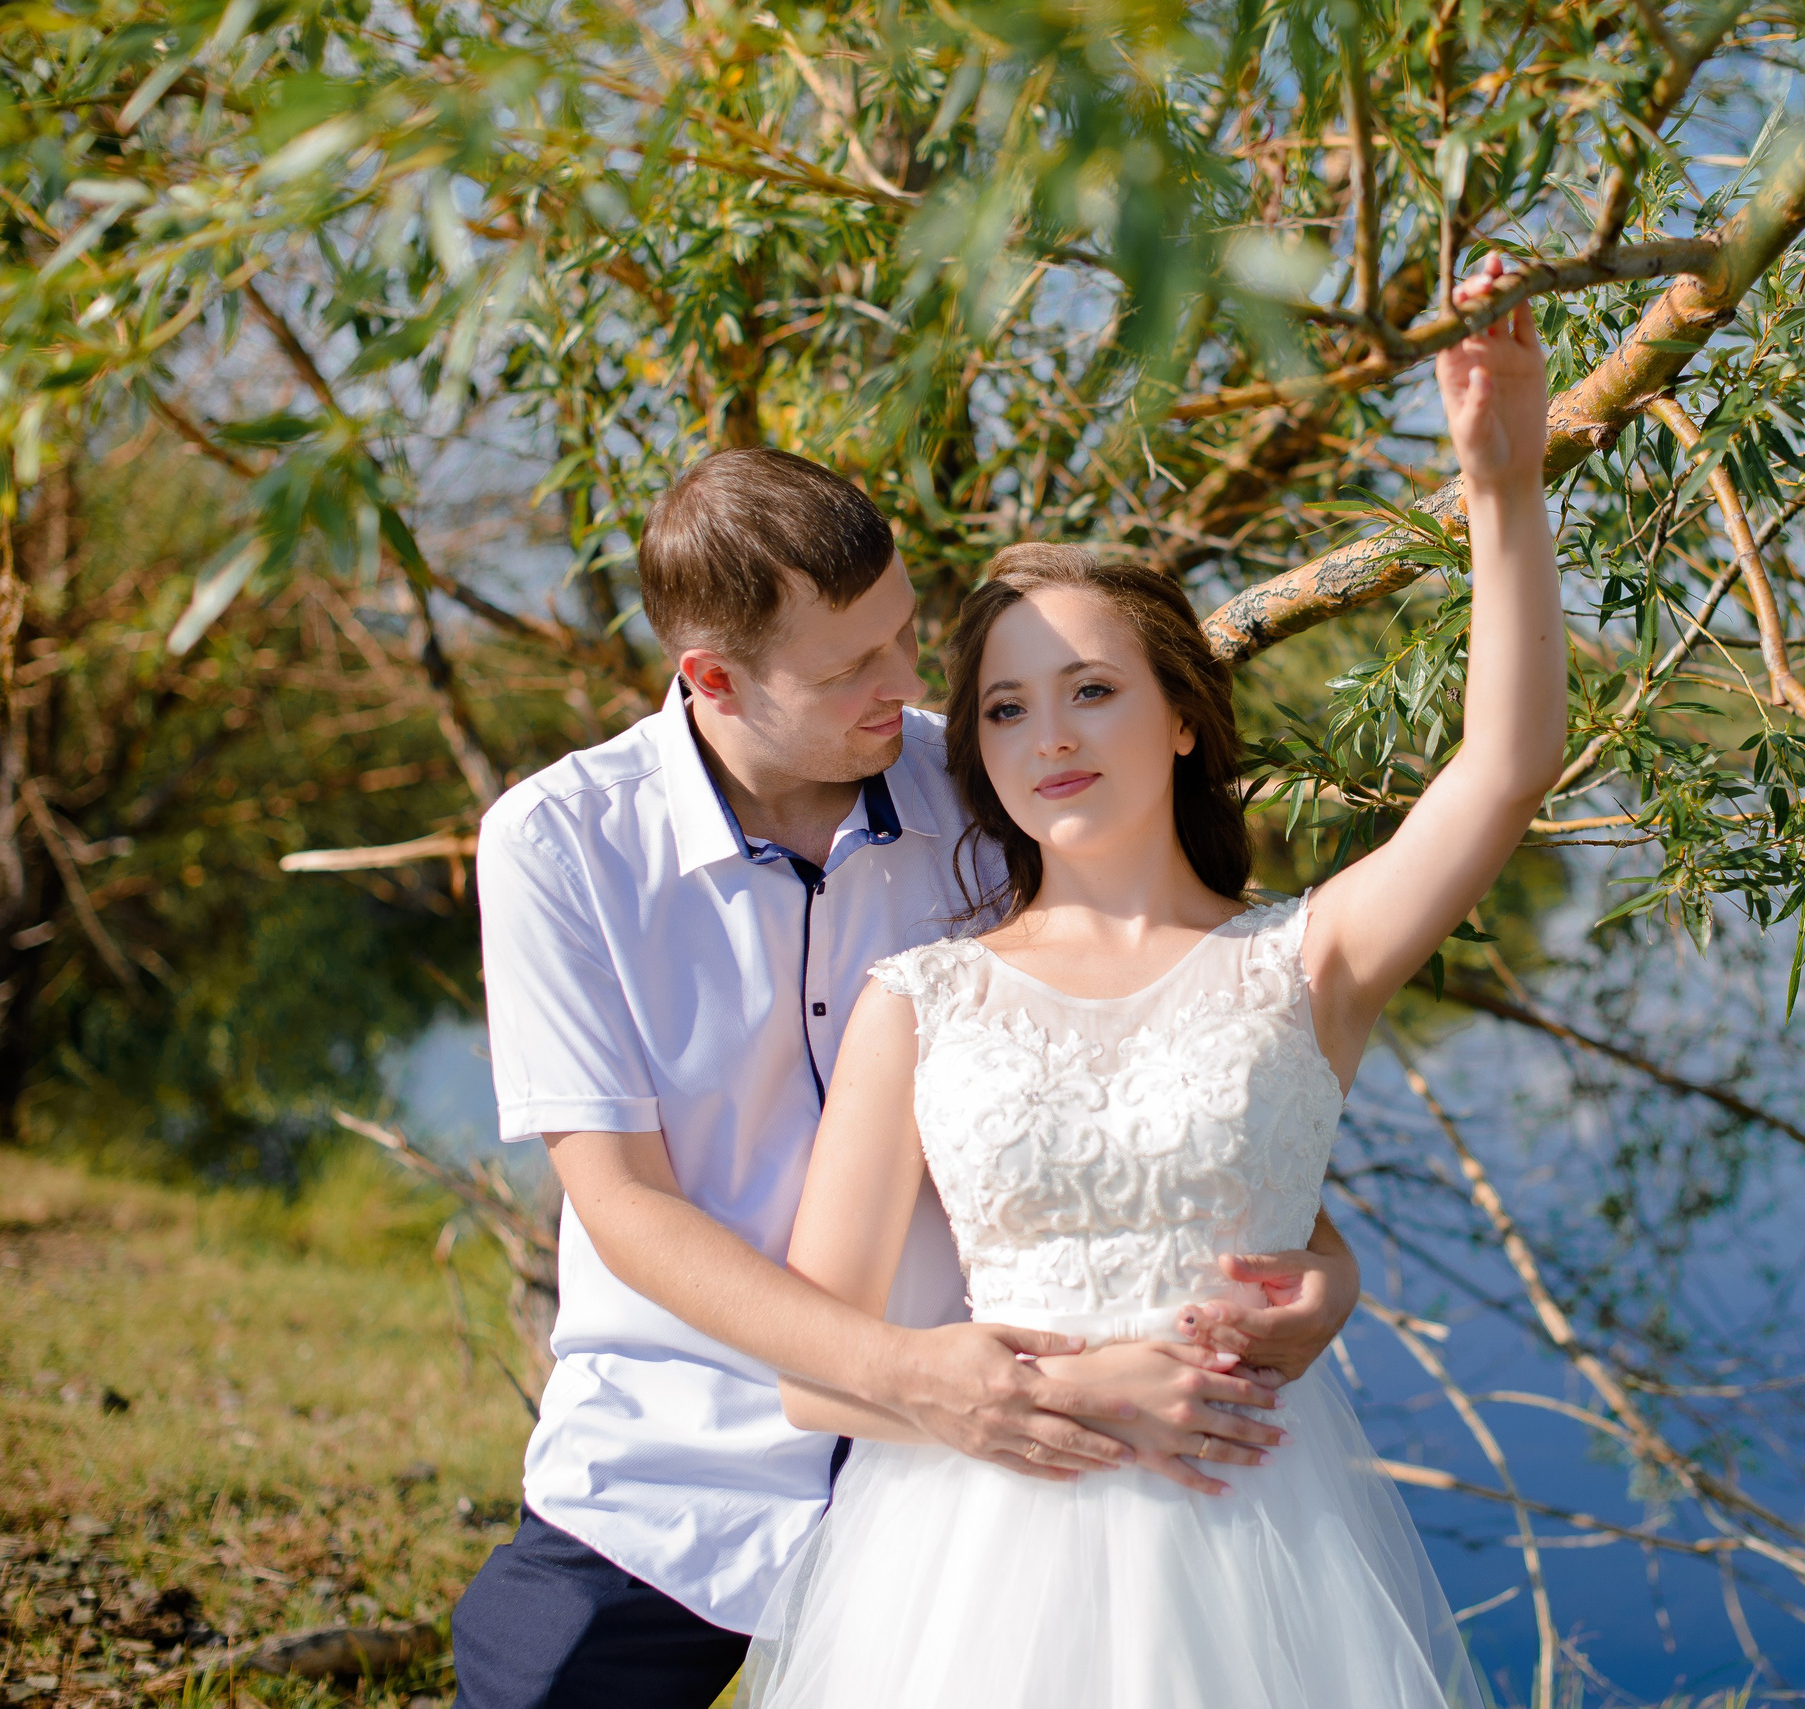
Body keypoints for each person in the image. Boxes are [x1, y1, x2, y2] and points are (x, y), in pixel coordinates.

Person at [756, 257, 1562, 1706]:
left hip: (1255, 1555)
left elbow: (1501, 768)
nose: (1049, 733)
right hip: (972, 1570)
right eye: (1006, 706)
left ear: (1184, 718)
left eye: (1093, 689)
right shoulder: (919, 999)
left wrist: (1504, 489)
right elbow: (820, 1370)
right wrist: (1082, 1393)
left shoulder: (1308, 958)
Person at [451, 446, 1364, 1709]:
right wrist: (913, 1379)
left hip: (1007, 1478)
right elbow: (623, 1205)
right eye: (849, 669)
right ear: (710, 678)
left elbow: (1159, 1045)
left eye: (901, 636)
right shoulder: (562, 843)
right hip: (680, 1465)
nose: (906, 687)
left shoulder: (986, 775)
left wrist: (1320, 1252)